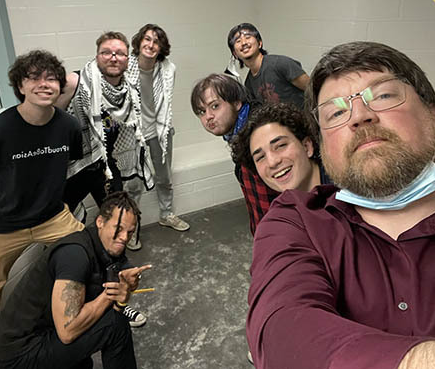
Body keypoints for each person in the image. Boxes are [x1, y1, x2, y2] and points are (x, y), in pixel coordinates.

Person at [247, 41, 435, 369]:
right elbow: (280, 334)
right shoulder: (296, 220)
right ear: (323, 145)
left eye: (383, 96)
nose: (360, 116)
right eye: (335, 113)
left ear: (434, 116)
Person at [0, 50, 85, 369]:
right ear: (21, 86)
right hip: (3, 223)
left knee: (87, 249)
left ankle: (106, 302)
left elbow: (68, 163)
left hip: (51, 216)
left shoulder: (68, 126)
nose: (45, 84)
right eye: (34, 77)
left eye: (51, 78)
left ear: (60, 85)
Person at [0, 191, 152, 369]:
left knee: (87, 354)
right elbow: (68, 331)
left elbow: (110, 304)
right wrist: (109, 296)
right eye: (118, 228)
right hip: (16, 357)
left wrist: (123, 293)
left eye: (130, 232)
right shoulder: (75, 255)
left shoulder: (109, 248)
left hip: (43, 336)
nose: (124, 238)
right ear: (100, 222)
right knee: (115, 326)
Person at [55, 31, 151, 327]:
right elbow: (48, 118)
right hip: (72, 169)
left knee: (118, 228)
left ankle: (118, 300)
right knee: (69, 236)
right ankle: (77, 304)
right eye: (107, 52)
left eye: (120, 53)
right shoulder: (77, 82)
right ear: (97, 55)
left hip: (103, 166)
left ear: (127, 59)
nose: (114, 57)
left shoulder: (127, 89)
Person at [124, 24, 190, 252]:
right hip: (133, 132)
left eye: (156, 41)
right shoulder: (125, 67)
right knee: (133, 183)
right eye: (147, 39)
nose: (151, 45)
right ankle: (130, 229)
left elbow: (164, 104)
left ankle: (167, 214)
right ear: (139, 42)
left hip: (160, 130)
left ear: (161, 47)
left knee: (164, 176)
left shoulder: (168, 69)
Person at [190, 74, 279, 236]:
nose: (208, 116)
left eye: (215, 106)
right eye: (202, 111)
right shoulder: (241, 134)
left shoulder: (260, 137)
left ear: (237, 103)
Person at [230, 102, 330, 194]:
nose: (272, 162)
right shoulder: (287, 208)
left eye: (280, 146)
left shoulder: (342, 189)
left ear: (307, 147)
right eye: (260, 157)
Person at [227, 22, 310, 108]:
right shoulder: (249, 84)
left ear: (259, 43)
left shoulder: (280, 63)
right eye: (238, 41)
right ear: (235, 54)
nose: (244, 43)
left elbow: (313, 88)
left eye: (248, 37)